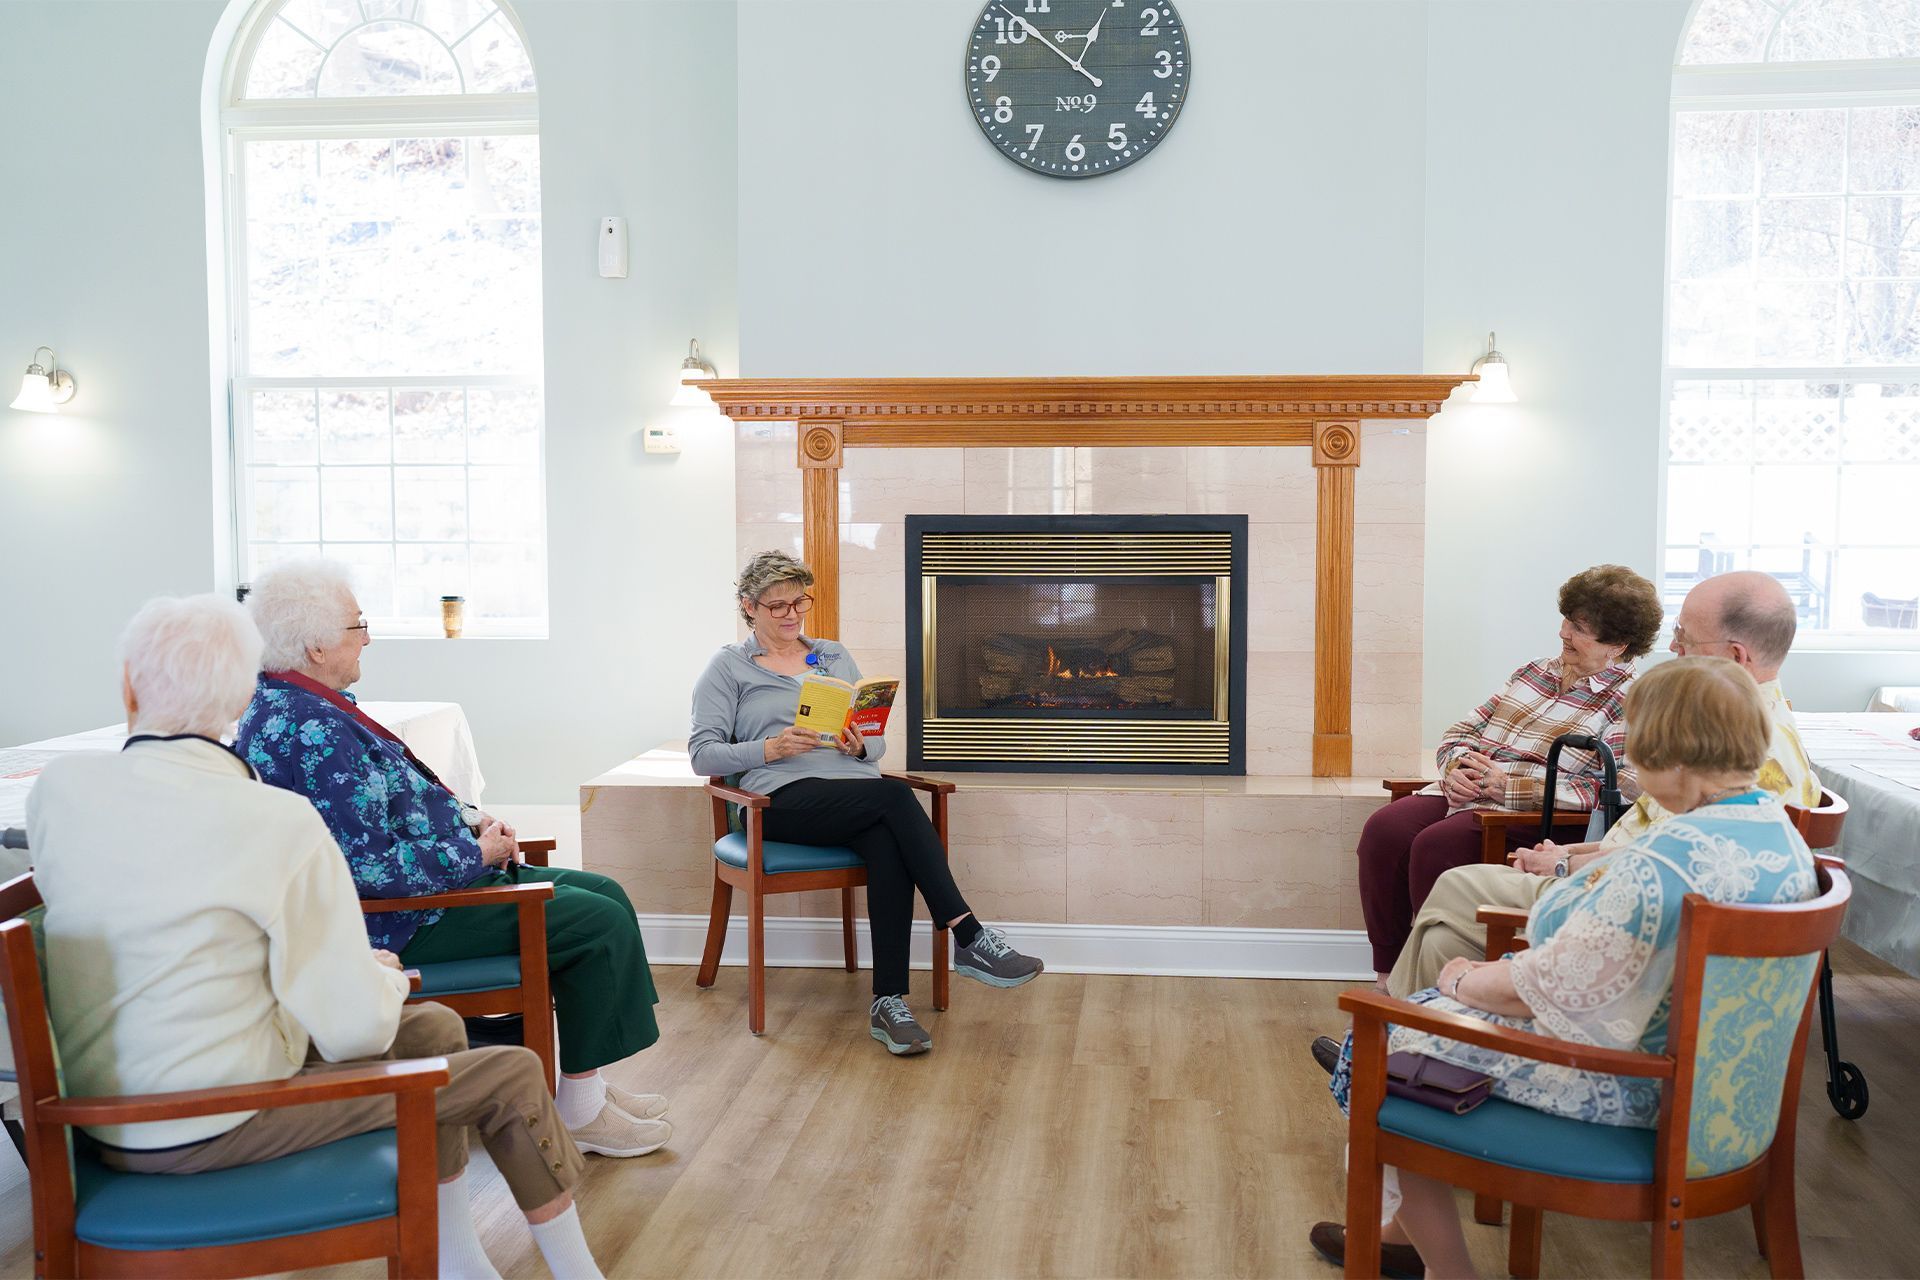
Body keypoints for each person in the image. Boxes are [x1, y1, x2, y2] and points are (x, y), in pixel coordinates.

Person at [28, 595, 607, 1280]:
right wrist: (382, 972)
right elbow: (354, 1033)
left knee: (436, 1031)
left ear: (128, 685)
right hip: (211, 1118)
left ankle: (459, 1262)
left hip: (96, 1114)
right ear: (241, 694)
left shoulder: (58, 792)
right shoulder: (275, 819)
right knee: (510, 1074)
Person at [1309, 656, 1819, 1279]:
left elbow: (1545, 989)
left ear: (1672, 755)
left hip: (1636, 1092)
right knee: (1415, 1029)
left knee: (1380, 1047)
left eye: (1638, 752)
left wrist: (1461, 979)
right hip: (1726, 1099)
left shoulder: (1660, 866)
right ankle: (1406, 1238)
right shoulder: (1779, 836)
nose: (1630, 768)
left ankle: (1447, 1269)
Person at [234, 559, 669, 1158]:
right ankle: (583, 1111)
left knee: (605, 893)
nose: (368, 637)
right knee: (597, 922)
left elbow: (403, 796)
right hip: (397, 921)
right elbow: (366, 872)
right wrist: (473, 851)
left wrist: (472, 819)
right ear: (314, 645)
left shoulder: (303, 704)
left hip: (429, 889)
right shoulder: (311, 729)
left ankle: (582, 1090)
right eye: (357, 625)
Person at [1379, 570, 1821, 1002]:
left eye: (1685, 636)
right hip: (1608, 883)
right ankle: (1404, 1018)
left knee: (1450, 892)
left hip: (1610, 912)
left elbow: (1650, 858)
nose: (1673, 646)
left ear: (1738, 656)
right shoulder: (1736, 733)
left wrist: (1559, 863)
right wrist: (1463, 768)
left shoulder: (1736, 747)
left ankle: (1402, 1027)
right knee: (1418, 885)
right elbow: (1662, 850)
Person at [689, 550, 1043, 1055]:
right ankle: (969, 935)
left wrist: (861, 745)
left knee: (886, 837)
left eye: (800, 602)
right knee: (894, 798)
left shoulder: (833, 655)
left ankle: (889, 1002)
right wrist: (770, 747)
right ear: (749, 607)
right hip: (780, 801)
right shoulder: (728, 667)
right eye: (777, 606)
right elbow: (703, 756)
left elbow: (873, 743)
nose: (792, 614)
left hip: (856, 794)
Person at [1355, 564, 1663, 985]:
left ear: (1618, 645)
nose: (1563, 633)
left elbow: (1614, 791)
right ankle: (1388, 977)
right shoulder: (1533, 672)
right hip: (1466, 793)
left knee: (1435, 845)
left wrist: (1510, 787)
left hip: (1528, 816)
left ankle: (1434, 986)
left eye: (1579, 628)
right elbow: (1462, 731)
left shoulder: (1632, 701)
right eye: (1567, 620)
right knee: (1384, 830)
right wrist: (1457, 766)